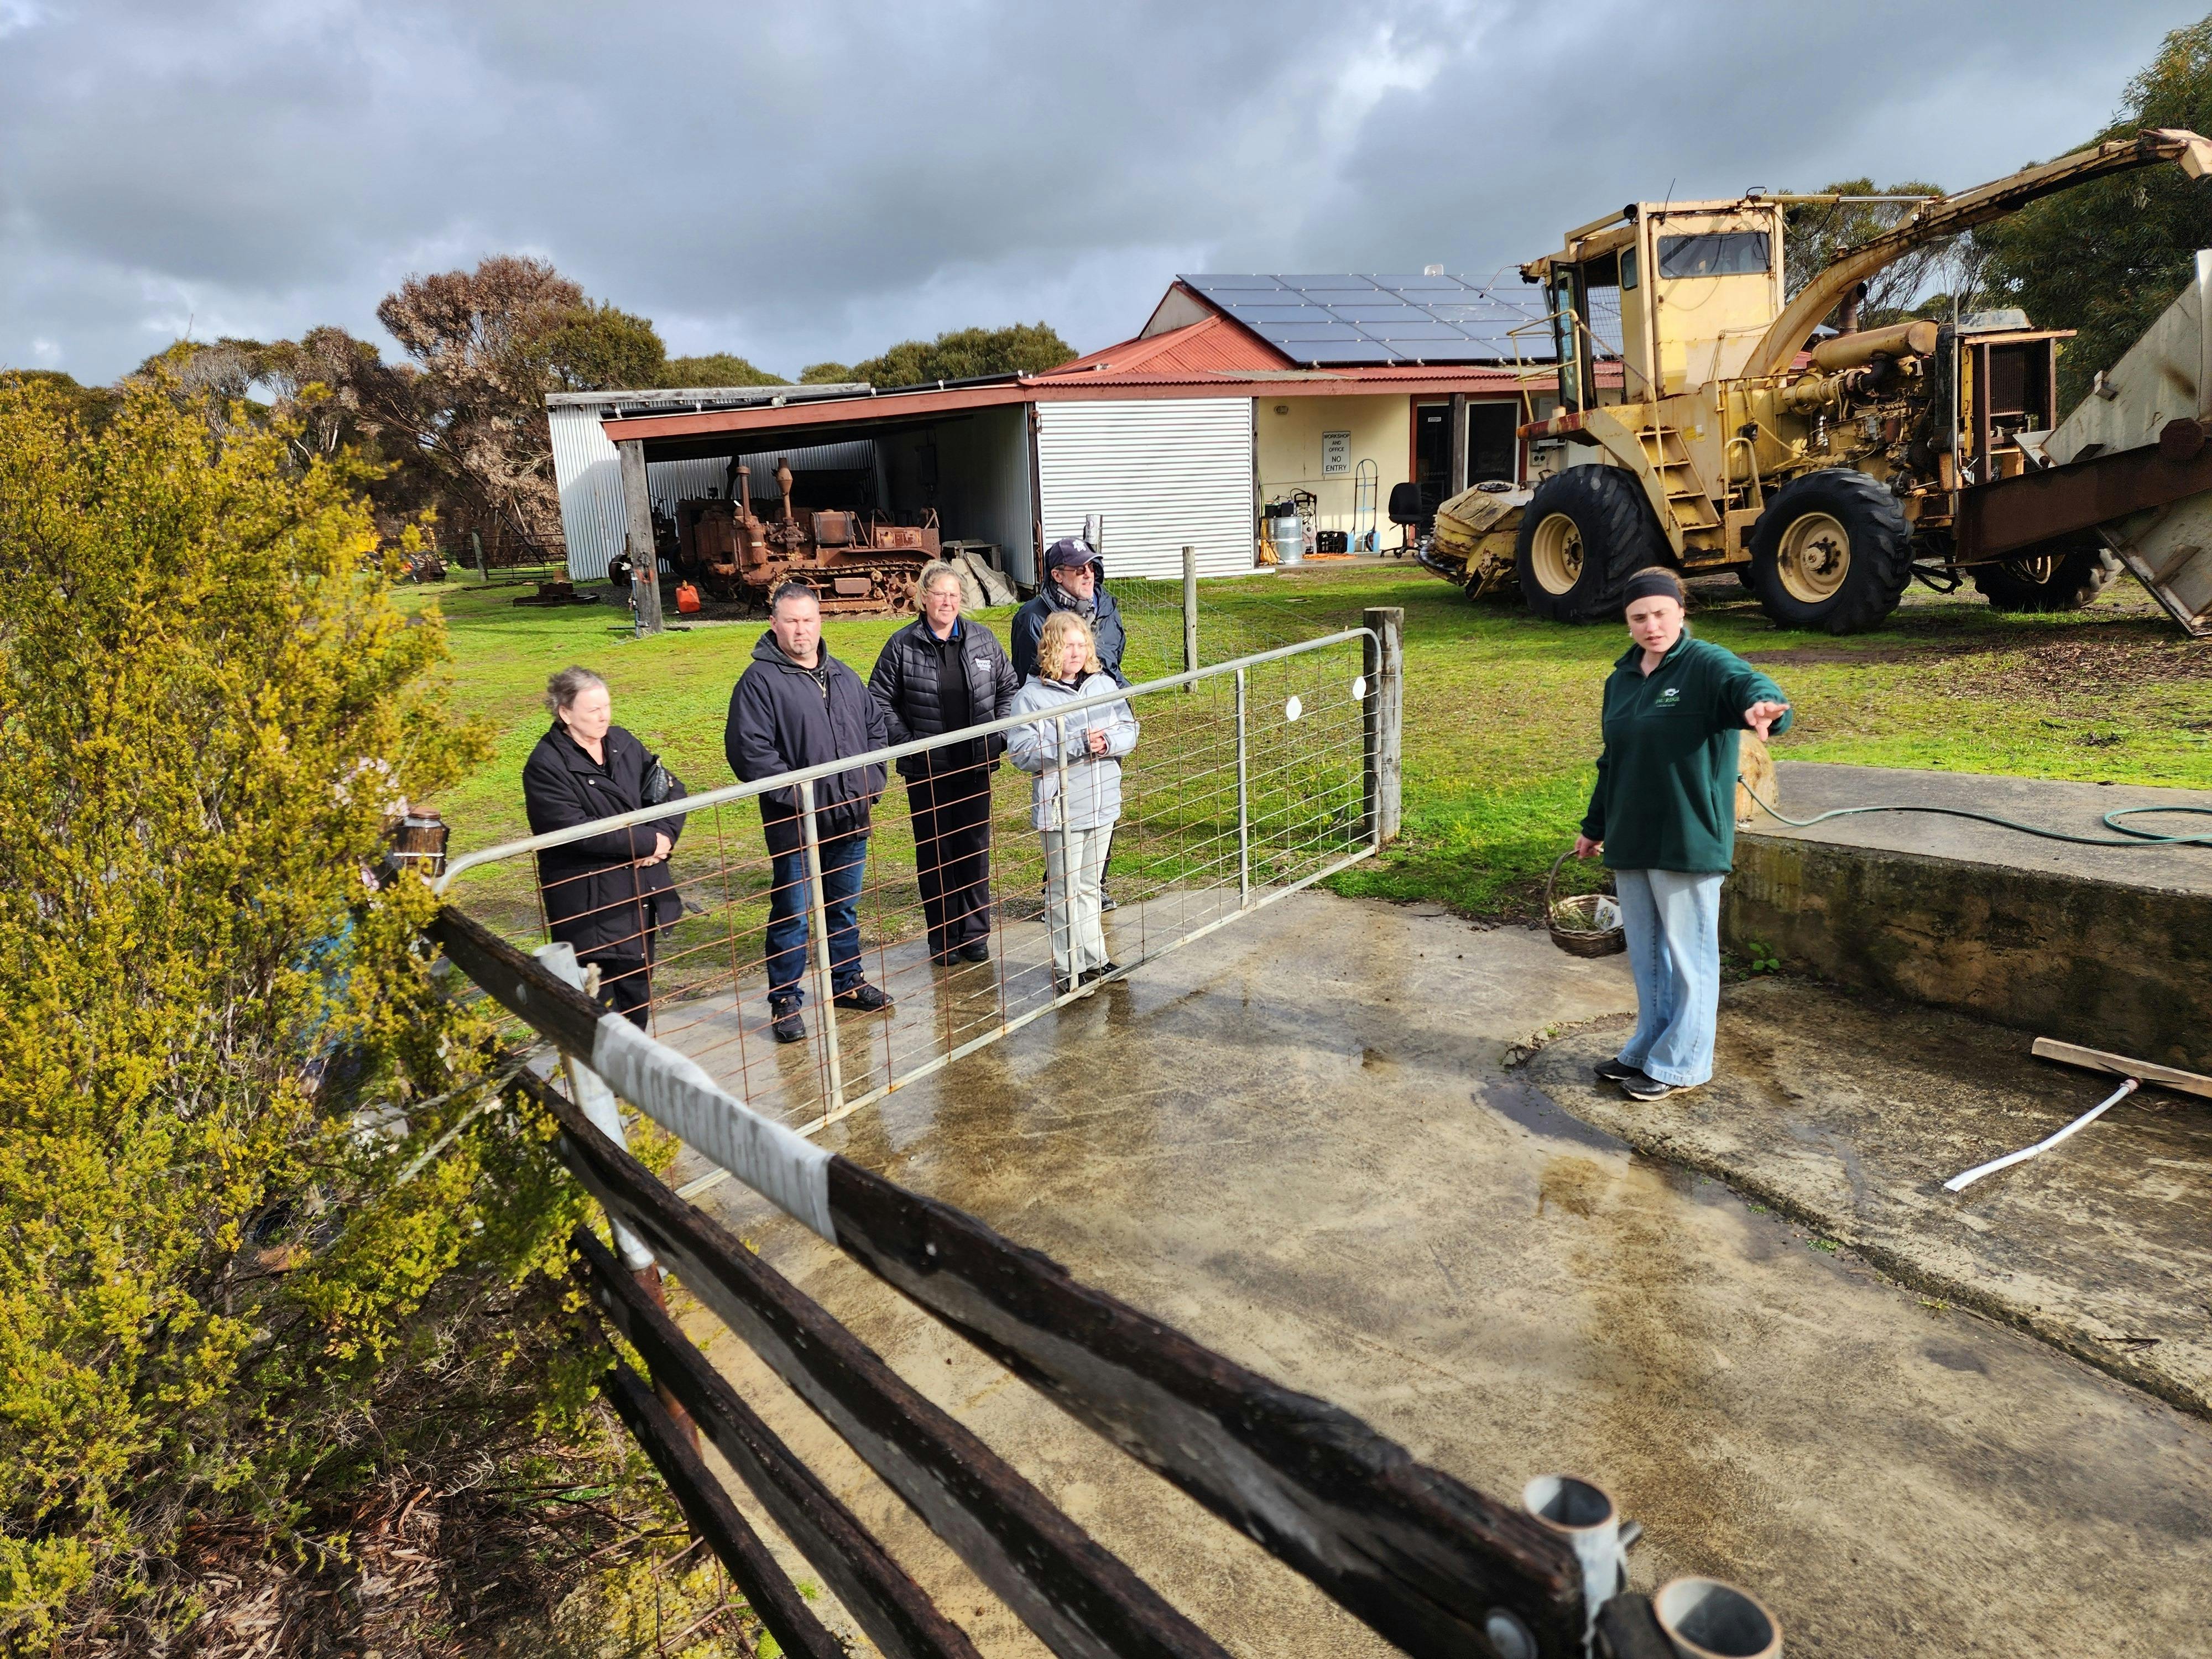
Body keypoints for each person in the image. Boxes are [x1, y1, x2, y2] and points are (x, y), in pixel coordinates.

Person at [1573, 568, 1792, 1101]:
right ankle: (1650, 1046)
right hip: (1632, 835)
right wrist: (1595, 826)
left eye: (1661, 614)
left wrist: (1765, 710)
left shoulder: (1706, 664)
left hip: (1687, 836)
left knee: (1691, 959)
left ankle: (1685, 1063)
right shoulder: (1620, 679)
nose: (1652, 626)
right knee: (1648, 957)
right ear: (1626, 622)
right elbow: (1614, 761)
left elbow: (1751, 688)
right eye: (1639, 617)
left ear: (1680, 612)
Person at [726, 582, 894, 1045]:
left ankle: (847, 981)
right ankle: (785, 1000)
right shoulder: (759, 683)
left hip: (851, 816)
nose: (802, 630)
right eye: (792, 621)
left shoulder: (843, 676)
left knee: (844, 908)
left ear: (821, 622)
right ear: (774, 624)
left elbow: (875, 730)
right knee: (794, 913)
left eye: (809, 620)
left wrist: (870, 782)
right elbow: (750, 753)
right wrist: (803, 797)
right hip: (797, 824)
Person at [868, 559, 1021, 966]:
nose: (947, 602)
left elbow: (1009, 687)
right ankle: (944, 938)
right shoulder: (902, 645)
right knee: (935, 853)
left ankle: (974, 933)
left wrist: (999, 734)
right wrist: (906, 742)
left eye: (954, 595)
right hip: (928, 771)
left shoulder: (983, 641)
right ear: (923, 598)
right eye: (940, 594)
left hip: (974, 766)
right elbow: (879, 700)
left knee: (973, 849)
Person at [523, 666, 688, 1030]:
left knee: (637, 988)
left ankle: (633, 1070)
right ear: (565, 713)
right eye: (593, 710)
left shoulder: (624, 742)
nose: (604, 716)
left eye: (607, 706)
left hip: (640, 894)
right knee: (600, 1000)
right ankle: (603, 1078)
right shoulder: (546, 766)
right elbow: (575, 830)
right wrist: (645, 841)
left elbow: (670, 790)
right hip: (593, 904)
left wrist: (663, 836)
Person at [1008, 612, 1138, 994]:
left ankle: (1094, 958)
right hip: (1060, 807)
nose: (1076, 653)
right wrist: (1077, 745)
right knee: (1063, 890)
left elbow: (1129, 728)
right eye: (1068, 646)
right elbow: (1022, 752)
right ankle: (1069, 968)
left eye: (1082, 645)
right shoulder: (1030, 697)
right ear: (1051, 648)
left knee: (1089, 886)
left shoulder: (1104, 685)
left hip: (1101, 801)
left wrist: (1109, 742)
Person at [1013, 538, 1129, 906]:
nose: (1088, 574)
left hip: (1103, 718)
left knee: (1102, 806)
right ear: (1057, 575)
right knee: (1066, 817)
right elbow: (1029, 675)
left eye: (1092, 567)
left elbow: (1112, 659)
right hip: (1062, 735)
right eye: (1080, 569)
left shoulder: (1107, 606)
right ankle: (1060, 893)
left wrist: (1113, 705)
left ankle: (1096, 888)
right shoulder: (1032, 617)